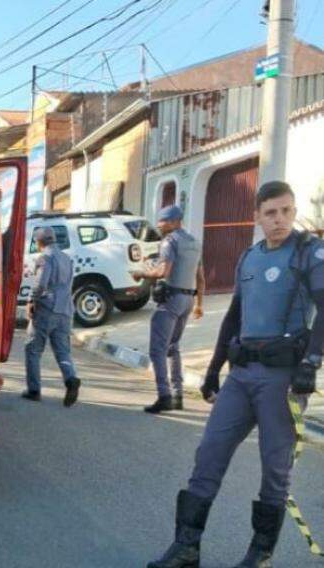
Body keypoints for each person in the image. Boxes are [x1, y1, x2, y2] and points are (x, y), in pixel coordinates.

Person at [147, 181, 323, 568]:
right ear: (257, 216)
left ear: (293, 212)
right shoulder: (250, 258)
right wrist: (213, 370)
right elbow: (234, 317)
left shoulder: (309, 253)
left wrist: (311, 363)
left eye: (287, 211)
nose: (280, 220)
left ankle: (259, 555)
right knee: (208, 454)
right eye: (271, 213)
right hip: (241, 376)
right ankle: (187, 547)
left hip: (282, 379)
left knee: (275, 470)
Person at [132, 205, 205, 414]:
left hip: (171, 299)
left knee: (158, 349)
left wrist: (141, 274)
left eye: (162, 221)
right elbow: (201, 277)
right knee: (174, 347)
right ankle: (177, 395)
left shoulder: (170, 242)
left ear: (174, 222)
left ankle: (164, 396)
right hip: (188, 299)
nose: (159, 225)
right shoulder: (195, 243)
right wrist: (199, 304)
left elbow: (164, 271)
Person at [22, 226, 81, 407]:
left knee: (32, 349)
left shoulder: (44, 258)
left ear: (39, 241)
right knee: (62, 350)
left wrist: (31, 301)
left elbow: (40, 284)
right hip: (66, 310)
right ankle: (70, 378)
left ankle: (34, 390)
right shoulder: (66, 258)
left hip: (47, 309)